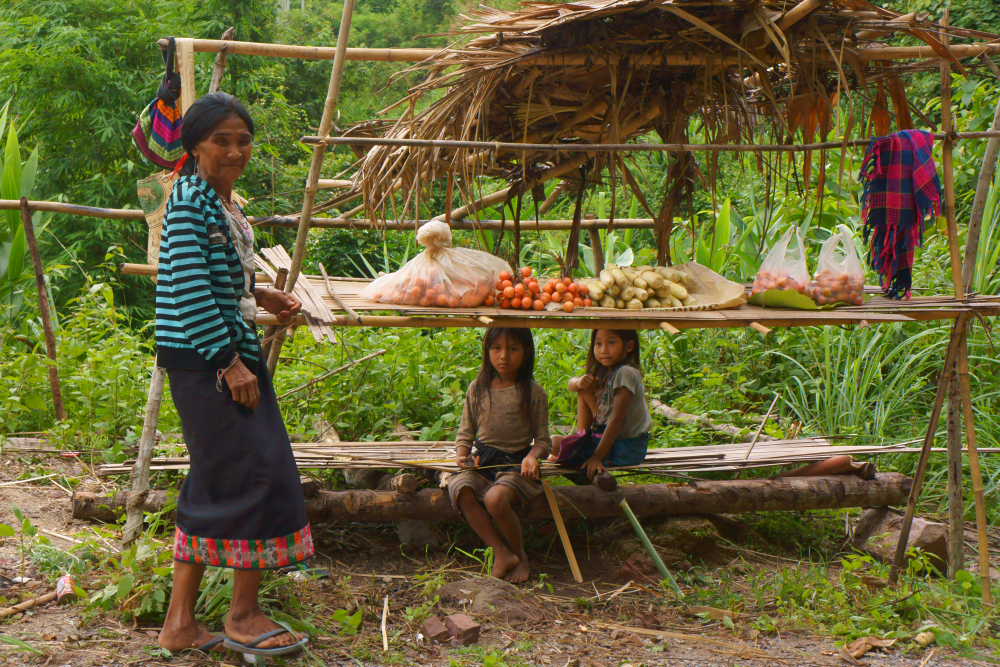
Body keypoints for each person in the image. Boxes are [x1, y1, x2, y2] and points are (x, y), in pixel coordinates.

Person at [154, 92, 312, 657]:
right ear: (195, 144)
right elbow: (191, 288)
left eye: (242, 140)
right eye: (221, 139)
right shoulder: (191, 201)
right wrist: (229, 363)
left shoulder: (222, 203)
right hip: (209, 362)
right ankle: (242, 615)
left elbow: (220, 275)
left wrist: (258, 290)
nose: (234, 150)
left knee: (217, 480)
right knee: (259, 477)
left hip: (219, 354)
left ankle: (180, 624)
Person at [447, 328, 551, 583]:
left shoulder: (532, 392)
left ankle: (521, 555)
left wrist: (532, 457)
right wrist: (462, 456)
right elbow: (466, 433)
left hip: (516, 466)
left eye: (513, 349)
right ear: (487, 352)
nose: (504, 356)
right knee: (461, 489)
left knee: (495, 499)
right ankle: (500, 552)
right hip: (483, 464)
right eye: (496, 349)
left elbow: (544, 441)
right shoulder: (478, 388)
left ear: (526, 352)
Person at [552, 329, 651, 491]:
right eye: (598, 344)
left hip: (626, 448)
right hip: (606, 438)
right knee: (554, 443)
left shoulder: (626, 373)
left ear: (629, 346)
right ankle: (582, 439)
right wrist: (579, 382)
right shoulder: (606, 371)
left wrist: (597, 457)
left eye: (611, 342)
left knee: (562, 451)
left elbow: (617, 420)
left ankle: (592, 477)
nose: (603, 350)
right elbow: (572, 385)